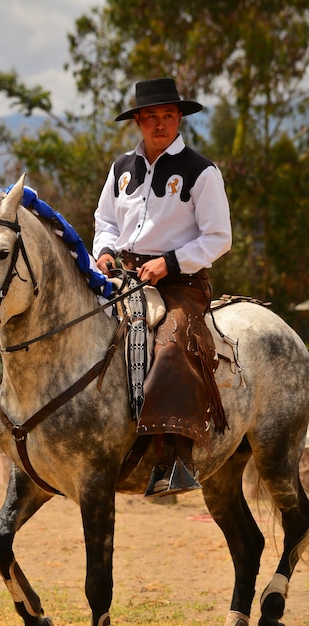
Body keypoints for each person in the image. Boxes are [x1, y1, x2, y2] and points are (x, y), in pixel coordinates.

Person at [93, 77, 232, 497]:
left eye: (167, 116)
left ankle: (176, 458)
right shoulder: (121, 169)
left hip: (182, 282)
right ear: (137, 121)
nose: (159, 124)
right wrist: (103, 251)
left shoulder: (200, 171)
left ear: (178, 119)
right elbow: (106, 221)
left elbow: (218, 238)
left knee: (171, 341)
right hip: (123, 275)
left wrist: (169, 262)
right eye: (150, 117)